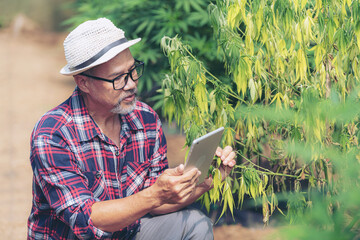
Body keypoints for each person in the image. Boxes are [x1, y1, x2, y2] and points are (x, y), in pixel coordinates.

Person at [27, 18, 236, 240]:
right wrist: (155, 194)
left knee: (194, 224)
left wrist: (203, 184)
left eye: (132, 70)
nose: (131, 83)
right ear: (84, 83)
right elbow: (85, 220)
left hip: (127, 234)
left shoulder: (145, 120)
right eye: (118, 78)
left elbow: (155, 206)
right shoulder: (53, 134)